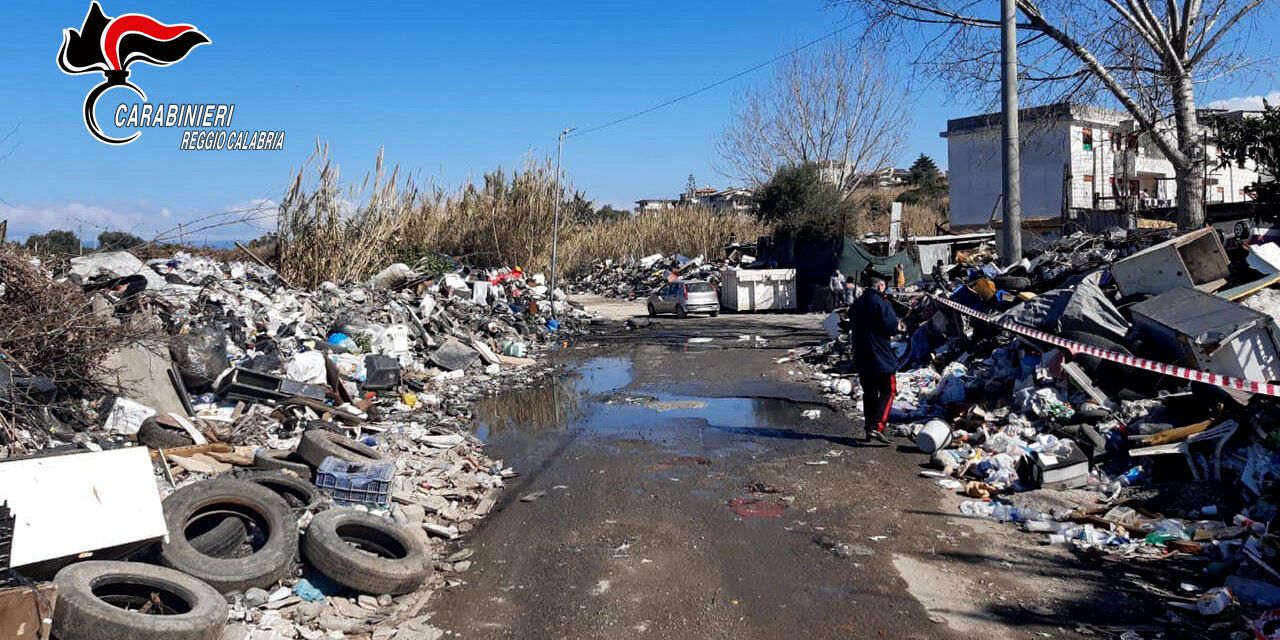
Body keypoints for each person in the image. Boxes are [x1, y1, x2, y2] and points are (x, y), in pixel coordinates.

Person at [849, 276, 902, 444]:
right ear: (880, 286)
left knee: (869, 393)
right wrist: (898, 326)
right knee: (889, 390)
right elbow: (891, 327)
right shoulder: (882, 303)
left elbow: (850, 322)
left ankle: (869, 429)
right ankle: (877, 427)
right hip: (881, 356)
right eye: (884, 285)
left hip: (862, 355)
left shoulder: (857, 303)